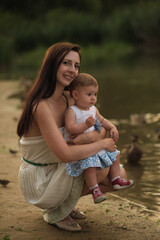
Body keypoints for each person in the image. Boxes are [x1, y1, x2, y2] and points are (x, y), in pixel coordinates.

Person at [17, 42, 128, 232]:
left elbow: (99, 126)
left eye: (76, 66)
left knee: (118, 175)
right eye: (66, 63)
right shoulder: (41, 106)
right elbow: (66, 155)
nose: (72, 70)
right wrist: (101, 141)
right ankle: (57, 211)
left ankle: (65, 203)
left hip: (57, 167)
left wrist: (89, 138)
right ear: (53, 64)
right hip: (41, 178)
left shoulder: (70, 97)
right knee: (100, 168)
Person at [65, 73, 134, 204]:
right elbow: (70, 128)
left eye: (95, 94)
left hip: (96, 145)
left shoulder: (93, 109)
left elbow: (102, 120)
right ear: (75, 95)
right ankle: (94, 189)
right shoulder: (72, 111)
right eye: (89, 94)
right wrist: (85, 125)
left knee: (115, 153)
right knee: (90, 166)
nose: (93, 98)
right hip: (84, 150)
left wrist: (112, 127)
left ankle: (116, 179)